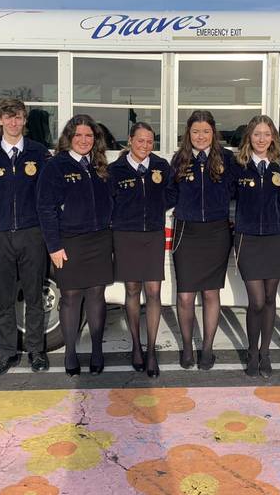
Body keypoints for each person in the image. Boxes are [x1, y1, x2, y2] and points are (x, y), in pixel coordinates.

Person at [0, 99, 51, 376]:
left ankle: (35, 350)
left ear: (24, 120)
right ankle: (7, 351)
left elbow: (47, 196)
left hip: (32, 234)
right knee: (3, 299)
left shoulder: (39, 153)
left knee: (34, 296)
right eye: (8, 118)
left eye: (18, 118)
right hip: (2, 235)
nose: (13, 123)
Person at [36, 115, 113, 376]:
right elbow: (45, 208)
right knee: (70, 297)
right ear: (69, 137)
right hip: (69, 241)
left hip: (100, 240)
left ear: (96, 139)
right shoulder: (56, 166)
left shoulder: (100, 165)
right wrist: (54, 246)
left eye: (89, 136)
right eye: (78, 135)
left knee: (96, 296)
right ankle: (70, 353)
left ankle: (97, 350)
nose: (83, 140)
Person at [168, 110, 234, 370]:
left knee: (210, 293)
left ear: (213, 133)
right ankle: (187, 347)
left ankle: (207, 348)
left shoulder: (227, 159)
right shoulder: (179, 159)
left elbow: (238, 191)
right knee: (185, 296)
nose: (201, 136)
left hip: (217, 233)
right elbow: (168, 194)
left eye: (206, 131)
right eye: (195, 131)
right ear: (188, 134)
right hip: (187, 232)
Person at [108, 122, 171, 378]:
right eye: (140, 140)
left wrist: (156, 207)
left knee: (153, 291)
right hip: (126, 235)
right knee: (132, 289)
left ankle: (152, 350)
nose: (145, 145)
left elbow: (173, 192)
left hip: (153, 234)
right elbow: (109, 201)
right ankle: (136, 345)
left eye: (150, 141)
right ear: (130, 140)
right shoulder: (116, 170)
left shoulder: (161, 166)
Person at [232, 115, 280, 379]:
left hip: (274, 239)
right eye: (256, 134)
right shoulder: (238, 166)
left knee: (269, 299)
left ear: (273, 137)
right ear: (249, 138)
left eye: (266, 134)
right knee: (255, 301)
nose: (262, 139)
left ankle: (265, 353)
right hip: (248, 239)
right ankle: (252, 351)